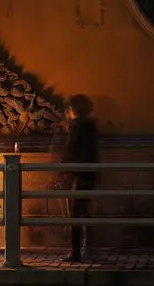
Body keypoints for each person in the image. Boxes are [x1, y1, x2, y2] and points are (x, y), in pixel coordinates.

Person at [60, 94, 98, 262]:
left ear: (72, 109)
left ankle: (75, 251)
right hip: (89, 174)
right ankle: (88, 249)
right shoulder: (91, 126)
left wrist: (65, 166)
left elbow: (72, 151)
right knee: (85, 213)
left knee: (75, 214)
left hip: (77, 175)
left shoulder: (77, 127)